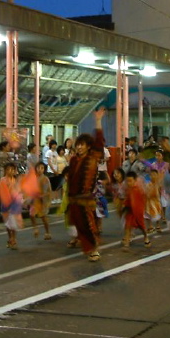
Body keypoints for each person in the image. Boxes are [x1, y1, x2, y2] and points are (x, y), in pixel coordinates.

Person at [66, 108, 106, 262]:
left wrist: (97, 121)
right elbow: (70, 179)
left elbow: (99, 140)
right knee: (79, 226)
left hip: (86, 198)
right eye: (78, 145)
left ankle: (95, 249)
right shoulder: (74, 160)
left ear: (88, 146)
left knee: (89, 224)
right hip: (74, 198)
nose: (79, 147)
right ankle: (88, 247)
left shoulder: (93, 157)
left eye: (82, 145)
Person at [0, 162, 24, 250]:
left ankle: (13, 239)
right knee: (8, 224)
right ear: (5, 171)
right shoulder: (3, 180)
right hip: (6, 205)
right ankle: (10, 238)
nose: (10, 171)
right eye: (8, 170)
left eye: (12, 170)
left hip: (14, 205)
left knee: (14, 223)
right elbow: (1, 193)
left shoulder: (15, 180)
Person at [121, 171, 151, 248]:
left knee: (141, 226)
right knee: (127, 226)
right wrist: (124, 206)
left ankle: (146, 236)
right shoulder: (128, 189)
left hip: (138, 211)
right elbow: (127, 199)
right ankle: (126, 243)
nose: (129, 183)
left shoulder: (138, 190)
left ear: (135, 180)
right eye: (127, 181)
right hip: (130, 210)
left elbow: (142, 201)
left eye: (130, 181)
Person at [28, 162, 52, 240]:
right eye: (38, 168)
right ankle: (35, 228)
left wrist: (42, 196)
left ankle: (47, 232)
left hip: (42, 200)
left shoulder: (45, 179)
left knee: (43, 217)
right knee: (31, 214)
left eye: (42, 168)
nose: (40, 170)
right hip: (35, 200)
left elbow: (47, 191)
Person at [145, 169, 162, 233]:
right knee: (147, 215)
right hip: (149, 202)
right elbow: (147, 193)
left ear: (157, 175)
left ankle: (158, 225)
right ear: (149, 176)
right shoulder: (148, 184)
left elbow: (160, 192)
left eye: (154, 175)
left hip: (156, 201)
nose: (153, 176)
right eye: (151, 175)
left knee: (158, 214)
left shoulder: (158, 184)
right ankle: (150, 226)